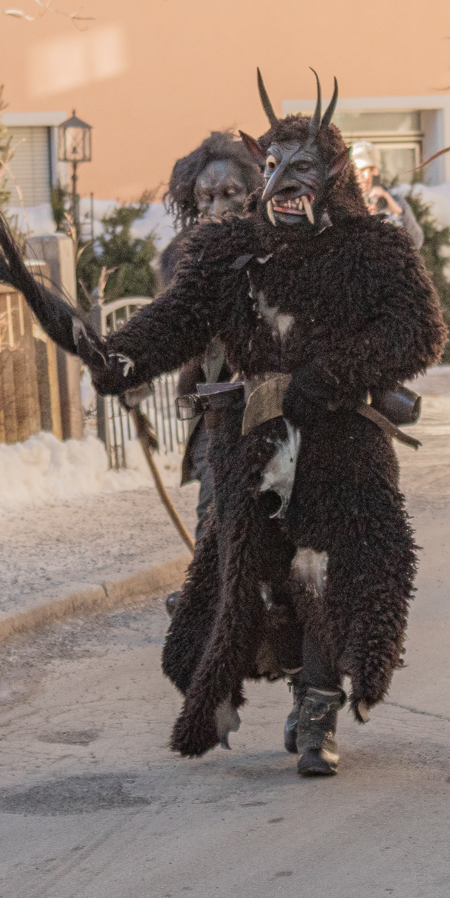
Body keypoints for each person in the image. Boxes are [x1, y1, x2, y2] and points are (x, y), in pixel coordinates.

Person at [0, 74, 446, 776]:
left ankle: (318, 712)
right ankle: (265, 687)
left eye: (300, 166)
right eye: (273, 164)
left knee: (332, 576)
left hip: (345, 449)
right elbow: (179, 318)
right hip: (254, 449)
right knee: (253, 575)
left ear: (331, 173)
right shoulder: (226, 255)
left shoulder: (375, 249)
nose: (282, 179)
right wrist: (121, 355)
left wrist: (327, 377)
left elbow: (419, 332)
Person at [156, 132, 264, 603]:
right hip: (215, 407)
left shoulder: (274, 243)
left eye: (229, 194)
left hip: (274, 398)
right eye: (206, 196)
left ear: (253, 192)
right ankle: (207, 596)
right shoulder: (181, 258)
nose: (217, 206)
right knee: (214, 500)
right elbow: (167, 329)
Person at [352, 142, 424, 252]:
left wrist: (398, 212)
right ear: (352, 171)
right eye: (361, 170)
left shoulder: (395, 201)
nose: (367, 176)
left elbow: (416, 242)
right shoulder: (344, 205)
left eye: (371, 169)